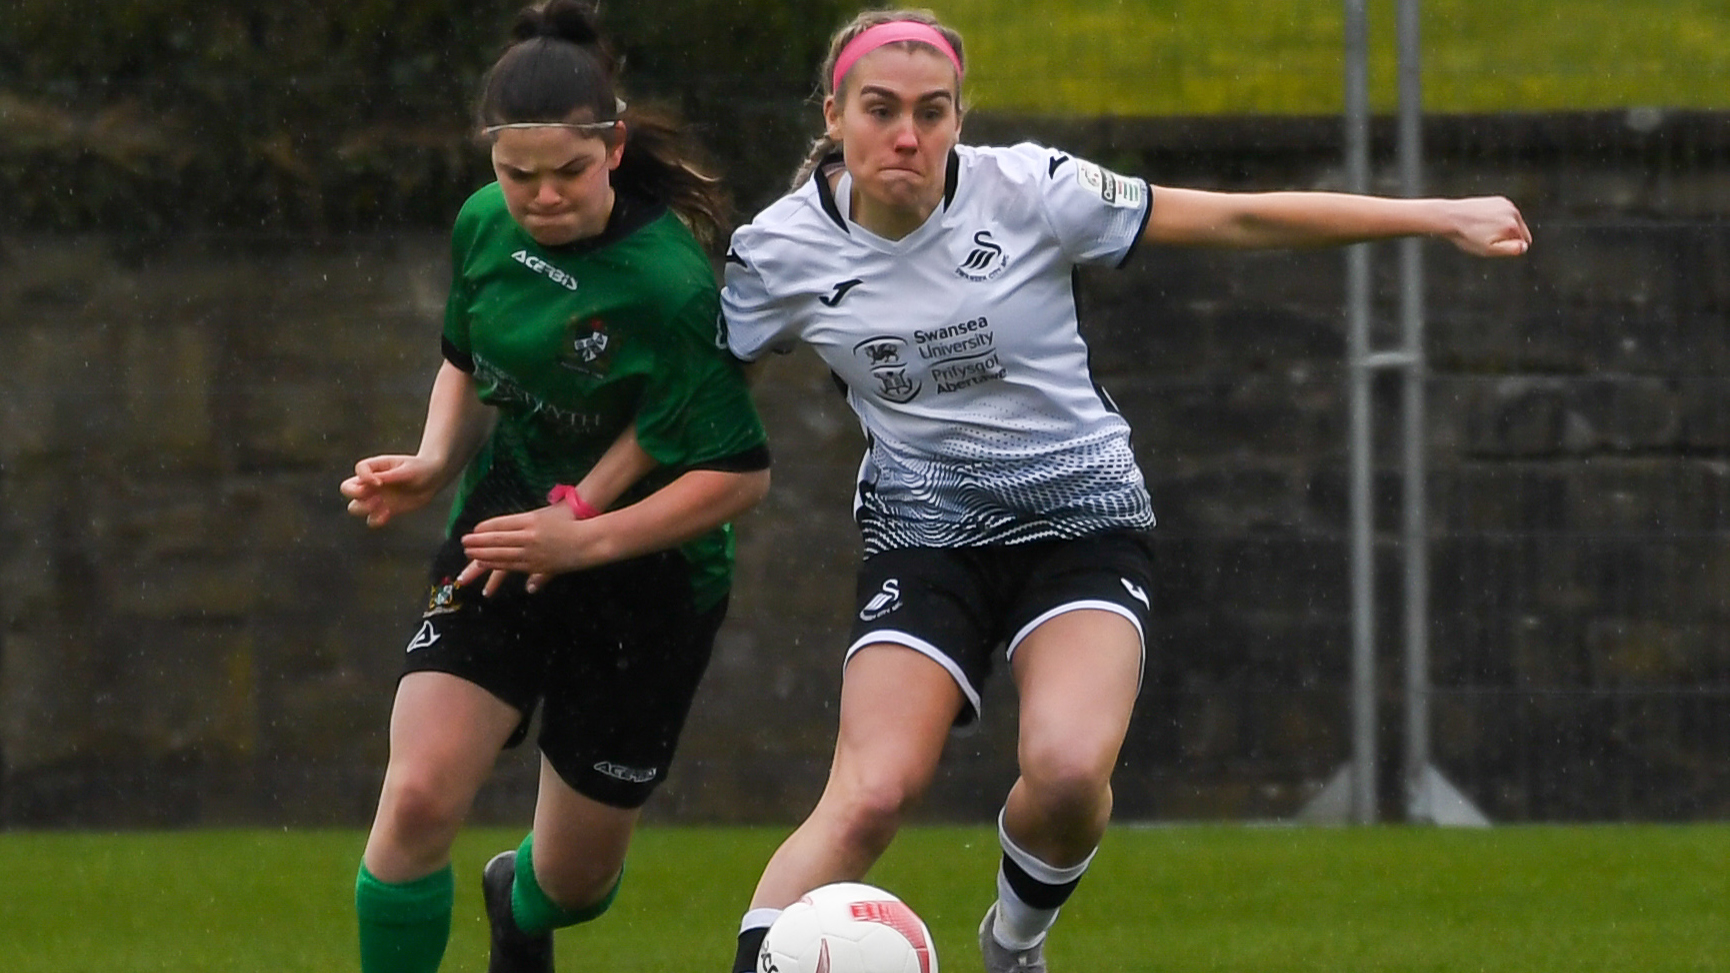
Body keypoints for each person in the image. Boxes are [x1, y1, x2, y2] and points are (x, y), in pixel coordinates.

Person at [719, 9, 1530, 973]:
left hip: (1083, 520)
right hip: (924, 534)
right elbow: (681, 388)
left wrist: (1437, 216)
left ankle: (1013, 943)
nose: (908, 135)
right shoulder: (776, 254)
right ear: (836, 114)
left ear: (959, 119)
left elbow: (1236, 215)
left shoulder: (1032, 191)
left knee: (1064, 774)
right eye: (881, 109)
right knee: (871, 793)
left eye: (932, 112)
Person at [339, 3, 770, 972]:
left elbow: (736, 475)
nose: (539, 197)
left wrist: (583, 539)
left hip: (650, 574)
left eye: (567, 172)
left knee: (572, 883)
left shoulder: (668, 284)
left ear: (613, 148)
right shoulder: (483, 228)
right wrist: (433, 458)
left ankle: (517, 899)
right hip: (505, 530)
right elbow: (464, 351)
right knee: (414, 798)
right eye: (515, 174)